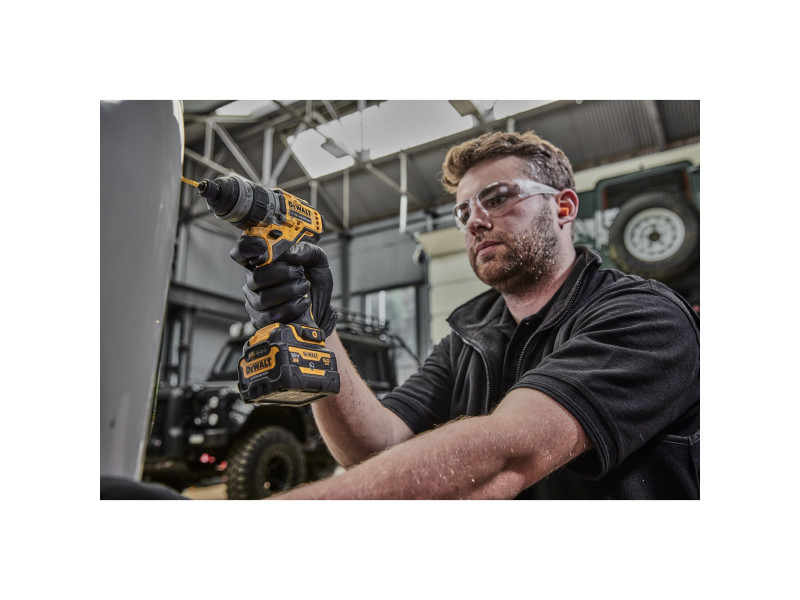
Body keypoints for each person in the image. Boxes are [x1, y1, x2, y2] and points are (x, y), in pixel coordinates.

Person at [231, 131, 700, 500]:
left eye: (498, 198)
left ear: (563, 206)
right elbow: (374, 447)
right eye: (463, 211)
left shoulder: (643, 316)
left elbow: (507, 453)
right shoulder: (467, 338)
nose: (474, 221)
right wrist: (317, 329)